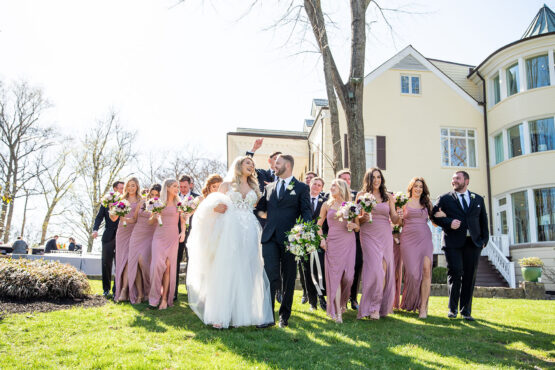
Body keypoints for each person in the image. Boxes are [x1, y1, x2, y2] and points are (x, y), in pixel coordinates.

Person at [187, 156, 273, 329]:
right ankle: (221, 314)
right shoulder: (226, 186)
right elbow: (210, 205)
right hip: (230, 229)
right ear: (239, 165)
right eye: (248, 163)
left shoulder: (255, 188)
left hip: (249, 229)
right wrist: (215, 208)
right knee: (227, 268)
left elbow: (258, 209)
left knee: (247, 268)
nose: (252, 166)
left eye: (253, 164)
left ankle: (243, 314)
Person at [255, 154, 313, 328]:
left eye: (277, 163)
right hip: (270, 237)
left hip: (291, 240)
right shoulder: (270, 187)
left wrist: (304, 233)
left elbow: (307, 212)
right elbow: (260, 210)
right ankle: (267, 317)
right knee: (271, 276)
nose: (274, 166)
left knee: (288, 278)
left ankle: (284, 316)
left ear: (287, 165)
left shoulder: (301, 187)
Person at [431, 171, 489, 321]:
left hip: (473, 243)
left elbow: (483, 221)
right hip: (453, 243)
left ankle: (466, 311)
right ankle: (452, 310)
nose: (454, 181)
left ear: (466, 181)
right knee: (455, 273)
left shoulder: (478, 199)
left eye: (457, 178)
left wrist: (484, 240)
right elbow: (433, 216)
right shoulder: (444, 199)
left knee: (470, 276)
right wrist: (449, 222)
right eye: (453, 179)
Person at [357, 168, 402, 320]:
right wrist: (364, 217)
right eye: (373, 177)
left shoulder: (388, 196)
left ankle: (377, 307)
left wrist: (399, 216)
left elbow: (395, 219)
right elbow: (357, 220)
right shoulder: (361, 196)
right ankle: (371, 306)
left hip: (385, 235)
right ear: (368, 179)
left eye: (379, 177)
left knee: (383, 269)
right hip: (368, 234)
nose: (376, 180)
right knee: (375, 270)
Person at [318, 179, 358, 323]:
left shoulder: (351, 205)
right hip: (333, 242)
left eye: (334, 185)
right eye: (332, 185)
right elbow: (319, 225)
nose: (331, 187)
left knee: (348, 277)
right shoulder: (326, 205)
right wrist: (322, 239)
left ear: (342, 188)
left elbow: (358, 227)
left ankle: (342, 303)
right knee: (334, 276)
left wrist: (353, 225)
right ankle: (336, 313)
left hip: (348, 242)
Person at [399, 177, 434, 318]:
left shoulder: (427, 203)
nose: (418, 189)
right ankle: (410, 301)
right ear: (411, 188)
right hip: (408, 239)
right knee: (413, 274)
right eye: (416, 186)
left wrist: (443, 216)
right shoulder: (403, 202)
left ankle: (423, 307)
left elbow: (435, 222)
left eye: (421, 186)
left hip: (425, 238)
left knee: (426, 271)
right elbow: (398, 222)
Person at [149, 179, 185, 309]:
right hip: (159, 237)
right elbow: (151, 221)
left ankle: (164, 299)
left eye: (178, 186)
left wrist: (183, 233)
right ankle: (154, 297)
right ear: (168, 187)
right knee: (157, 265)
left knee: (169, 267)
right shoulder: (158, 202)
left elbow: (183, 220)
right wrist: (154, 215)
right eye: (175, 186)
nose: (177, 188)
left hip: (173, 237)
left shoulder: (179, 203)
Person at [127, 184, 161, 304]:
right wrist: (123, 219)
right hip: (136, 235)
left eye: (157, 195)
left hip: (149, 235)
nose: (154, 196)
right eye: (152, 194)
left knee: (143, 262)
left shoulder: (159, 205)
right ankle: (140, 294)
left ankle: (149, 290)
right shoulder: (142, 203)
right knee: (135, 263)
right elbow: (134, 219)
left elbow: (152, 222)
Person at [110, 177, 141, 302]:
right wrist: (113, 210)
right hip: (121, 233)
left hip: (134, 232)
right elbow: (113, 218)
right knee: (121, 261)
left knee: (129, 261)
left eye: (133, 185)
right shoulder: (121, 200)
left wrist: (126, 220)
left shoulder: (140, 201)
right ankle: (122, 290)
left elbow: (136, 219)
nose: (130, 188)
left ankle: (124, 290)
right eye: (128, 185)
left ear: (137, 186)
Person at [93, 180, 124, 298]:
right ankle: (106, 289)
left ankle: (117, 288)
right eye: (121, 188)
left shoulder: (125, 202)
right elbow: (99, 217)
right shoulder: (106, 202)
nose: (123, 190)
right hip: (108, 236)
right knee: (106, 262)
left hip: (122, 235)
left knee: (119, 263)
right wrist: (95, 230)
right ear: (115, 189)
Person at [337, 168, 362, 310]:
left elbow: (361, 217)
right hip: (338, 239)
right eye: (344, 179)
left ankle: (353, 298)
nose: (347, 181)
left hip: (356, 239)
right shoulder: (331, 197)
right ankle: (340, 299)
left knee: (356, 267)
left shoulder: (357, 197)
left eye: (349, 179)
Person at [301, 176, 327, 311]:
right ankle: (312, 302)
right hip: (304, 240)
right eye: (314, 184)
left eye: (319, 185)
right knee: (307, 270)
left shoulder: (325, 201)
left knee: (320, 268)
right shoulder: (302, 198)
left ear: (322, 188)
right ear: (310, 185)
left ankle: (322, 297)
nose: (316, 187)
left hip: (319, 240)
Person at [175, 174, 200, 301]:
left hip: (193, 233)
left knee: (192, 260)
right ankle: (173, 291)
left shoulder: (197, 198)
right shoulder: (174, 197)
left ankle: (191, 290)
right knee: (175, 261)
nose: (182, 189)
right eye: (180, 187)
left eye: (185, 186)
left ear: (190, 185)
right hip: (176, 233)